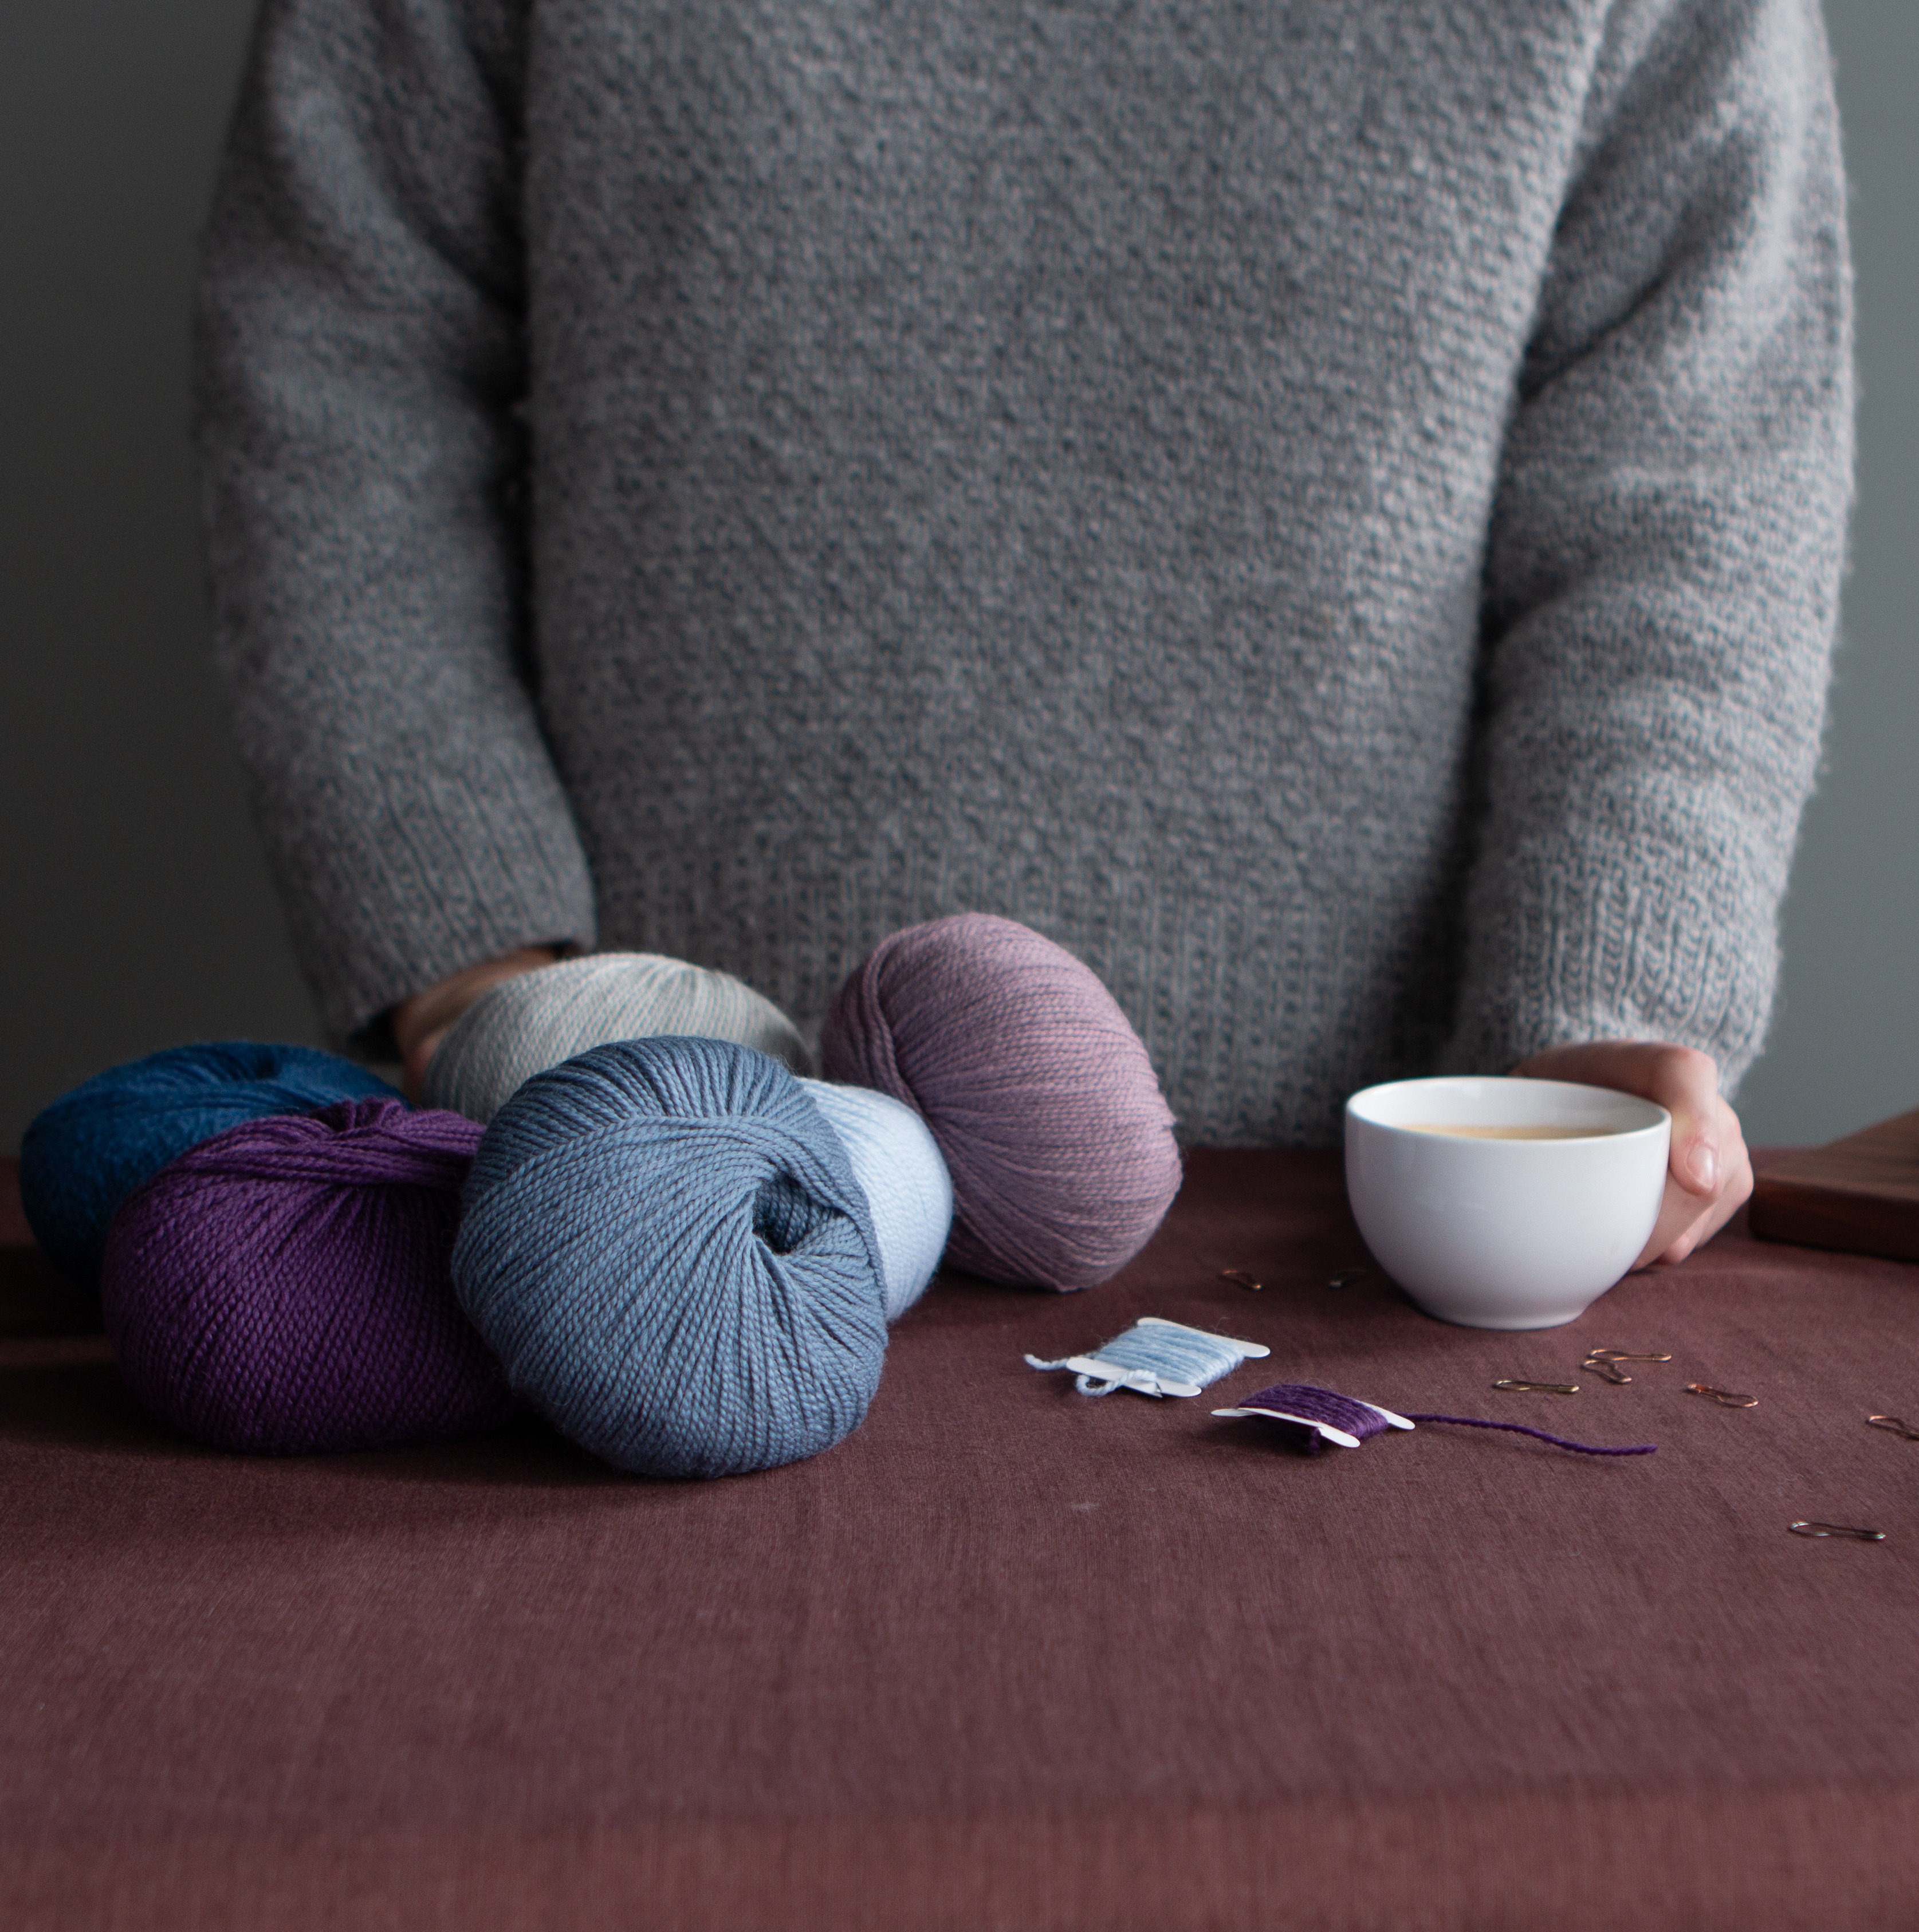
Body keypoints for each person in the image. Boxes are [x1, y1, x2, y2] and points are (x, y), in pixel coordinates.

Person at [194, 0, 1852, 1271]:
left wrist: (1611, 1001)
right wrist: (471, 954)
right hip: (653, 1218)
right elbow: (340, 367)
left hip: (1366, 1251)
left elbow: (1687, 496)